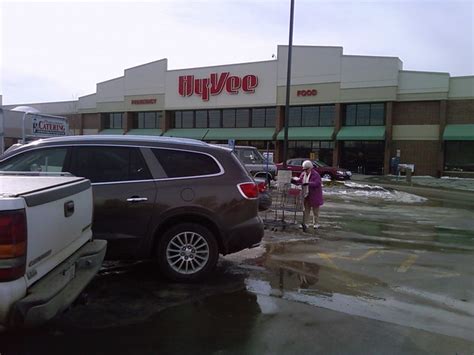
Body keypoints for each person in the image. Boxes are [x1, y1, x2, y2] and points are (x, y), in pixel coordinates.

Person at [291, 160, 324, 231]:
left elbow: (317, 183)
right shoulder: (303, 174)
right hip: (306, 195)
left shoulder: (316, 174)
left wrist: (308, 183)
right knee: (306, 210)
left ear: (310, 168)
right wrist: (294, 181)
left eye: (306, 169)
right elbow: (300, 180)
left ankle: (316, 224)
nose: (305, 171)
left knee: (315, 211)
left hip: (315, 195)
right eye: (304, 169)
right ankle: (306, 223)